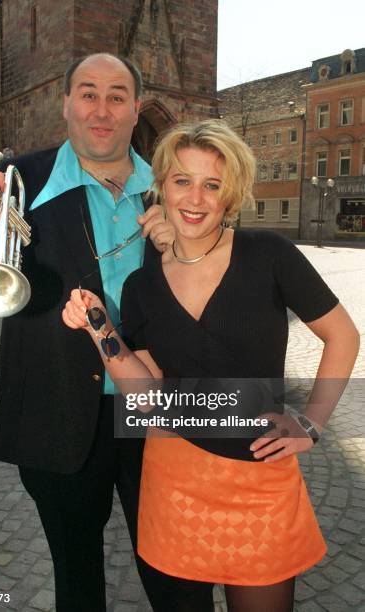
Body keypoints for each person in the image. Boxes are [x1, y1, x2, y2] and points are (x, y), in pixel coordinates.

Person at [63, 119, 360, 612]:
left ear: (231, 194)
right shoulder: (141, 286)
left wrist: (312, 422)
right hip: (174, 485)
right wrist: (102, 330)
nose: (195, 198)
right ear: (162, 186)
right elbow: (149, 395)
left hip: (259, 479)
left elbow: (342, 335)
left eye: (212, 184)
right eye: (182, 180)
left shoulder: (269, 255)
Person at [0, 53, 174, 611]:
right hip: (57, 407)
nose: (102, 109)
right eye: (88, 93)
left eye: (117, 96)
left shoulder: (171, 187)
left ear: (135, 108)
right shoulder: (22, 180)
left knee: (175, 571)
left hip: (157, 406)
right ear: (66, 103)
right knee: (76, 574)